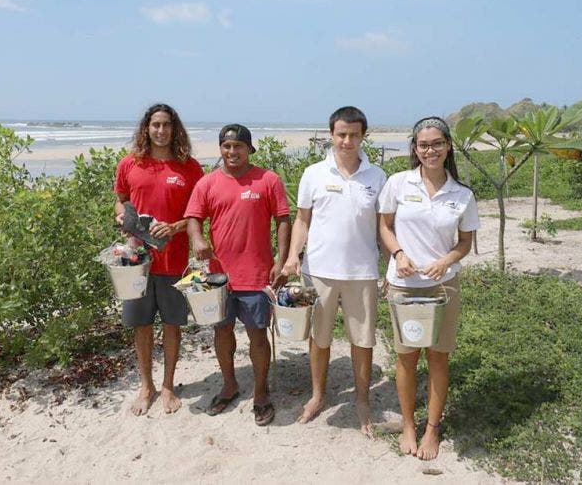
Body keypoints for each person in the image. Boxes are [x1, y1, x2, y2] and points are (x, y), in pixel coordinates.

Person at [377, 116, 479, 460]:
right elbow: (385, 226)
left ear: (448, 146)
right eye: (423, 145)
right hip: (404, 285)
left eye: (437, 143)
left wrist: (447, 260)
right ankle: (408, 423)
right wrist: (398, 253)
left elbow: (465, 242)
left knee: (438, 357)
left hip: (443, 287)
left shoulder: (462, 195)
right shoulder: (398, 183)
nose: (430, 150)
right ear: (414, 149)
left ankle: (432, 428)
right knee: (406, 358)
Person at [282, 106, 387, 436]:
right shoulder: (314, 173)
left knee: (363, 340)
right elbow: (302, 220)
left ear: (363, 136)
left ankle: (362, 401)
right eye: (341, 134)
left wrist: (392, 265)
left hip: (363, 271)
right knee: (320, 338)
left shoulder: (377, 176)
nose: (347, 141)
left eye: (354, 135)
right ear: (331, 135)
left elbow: (384, 226)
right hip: (320, 270)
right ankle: (317, 395)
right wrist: (292, 256)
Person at [185, 124, 291, 426]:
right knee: (222, 331)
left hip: (258, 275)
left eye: (238, 146)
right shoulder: (207, 183)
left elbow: (283, 219)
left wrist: (281, 261)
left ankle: (260, 392)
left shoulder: (267, 179)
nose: (232, 152)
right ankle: (229, 384)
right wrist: (198, 238)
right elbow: (194, 218)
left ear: (249, 149)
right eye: (226, 146)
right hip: (219, 278)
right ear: (220, 149)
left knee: (257, 334)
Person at [113, 103, 205, 416]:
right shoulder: (130, 163)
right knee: (141, 325)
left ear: (175, 129)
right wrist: (121, 217)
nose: (161, 131)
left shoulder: (189, 167)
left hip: (175, 260)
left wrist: (176, 226)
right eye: (155, 125)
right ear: (146, 128)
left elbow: (198, 213)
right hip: (136, 259)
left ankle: (167, 385)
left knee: (172, 324)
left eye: (167, 125)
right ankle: (146, 386)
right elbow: (121, 200)